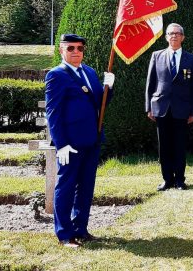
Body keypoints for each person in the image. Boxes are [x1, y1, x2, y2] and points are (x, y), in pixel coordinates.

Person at [45, 33, 114, 248]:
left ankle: (81, 229)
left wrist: (108, 88)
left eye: (80, 48)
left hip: (92, 140)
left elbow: (99, 104)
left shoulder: (90, 72)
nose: (76, 52)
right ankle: (65, 234)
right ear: (61, 51)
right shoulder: (56, 75)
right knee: (66, 187)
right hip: (71, 143)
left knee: (85, 186)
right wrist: (61, 144)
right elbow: (53, 113)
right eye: (71, 48)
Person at [145, 23, 193, 191]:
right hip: (161, 108)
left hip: (182, 109)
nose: (174, 36)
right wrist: (149, 107)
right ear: (166, 37)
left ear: (183, 37)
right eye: (170, 33)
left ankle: (179, 180)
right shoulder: (157, 56)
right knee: (164, 146)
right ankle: (167, 179)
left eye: (177, 33)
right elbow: (150, 83)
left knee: (179, 146)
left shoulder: (192, 59)